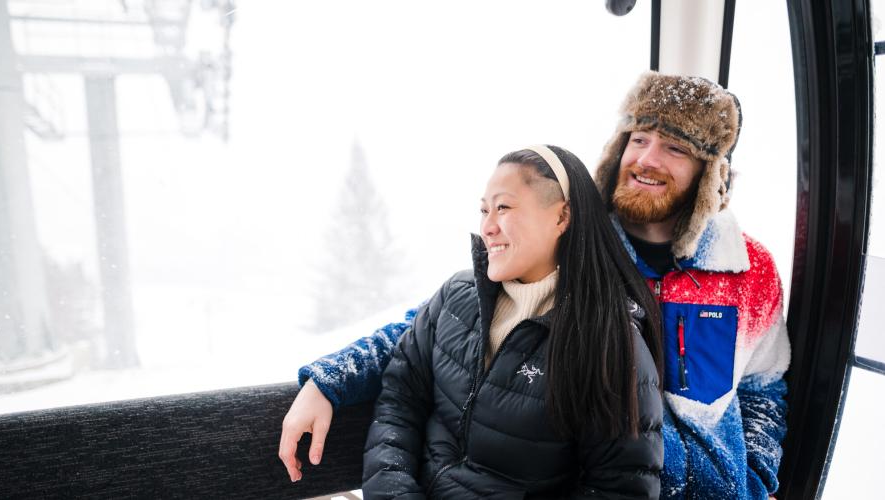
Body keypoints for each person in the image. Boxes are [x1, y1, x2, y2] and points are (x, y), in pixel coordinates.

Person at [279, 72, 791, 500]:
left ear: (709, 172)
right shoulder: (576, 250)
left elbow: (764, 388)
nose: (647, 159)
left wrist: (755, 478)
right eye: (638, 139)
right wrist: (329, 379)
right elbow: (441, 328)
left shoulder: (748, 272)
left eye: (674, 147)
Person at [361, 145, 663, 498]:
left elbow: (620, 490)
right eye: (484, 210)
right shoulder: (456, 297)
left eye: (503, 207)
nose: (488, 227)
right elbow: (399, 400)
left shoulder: (607, 344)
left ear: (562, 217)